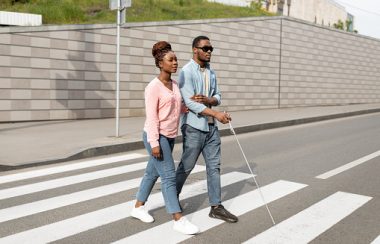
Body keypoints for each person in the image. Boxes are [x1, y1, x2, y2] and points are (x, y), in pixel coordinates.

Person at [130, 41, 199, 235]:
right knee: (168, 176)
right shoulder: (153, 87)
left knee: (152, 174)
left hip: (168, 136)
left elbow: (179, 108)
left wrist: (194, 104)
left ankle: (137, 207)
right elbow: (151, 117)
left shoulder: (175, 84)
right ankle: (178, 219)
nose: (175, 63)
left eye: (176, 59)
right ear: (161, 63)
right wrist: (154, 143)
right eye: (171, 60)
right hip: (156, 136)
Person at [176, 36, 238, 223]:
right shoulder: (186, 72)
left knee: (214, 167)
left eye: (211, 48)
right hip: (194, 127)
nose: (209, 51)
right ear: (195, 49)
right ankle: (172, 197)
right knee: (186, 166)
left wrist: (210, 101)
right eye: (206, 48)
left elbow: (217, 96)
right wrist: (216, 113)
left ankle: (216, 207)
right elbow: (189, 103)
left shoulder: (211, 72)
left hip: (211, 128)